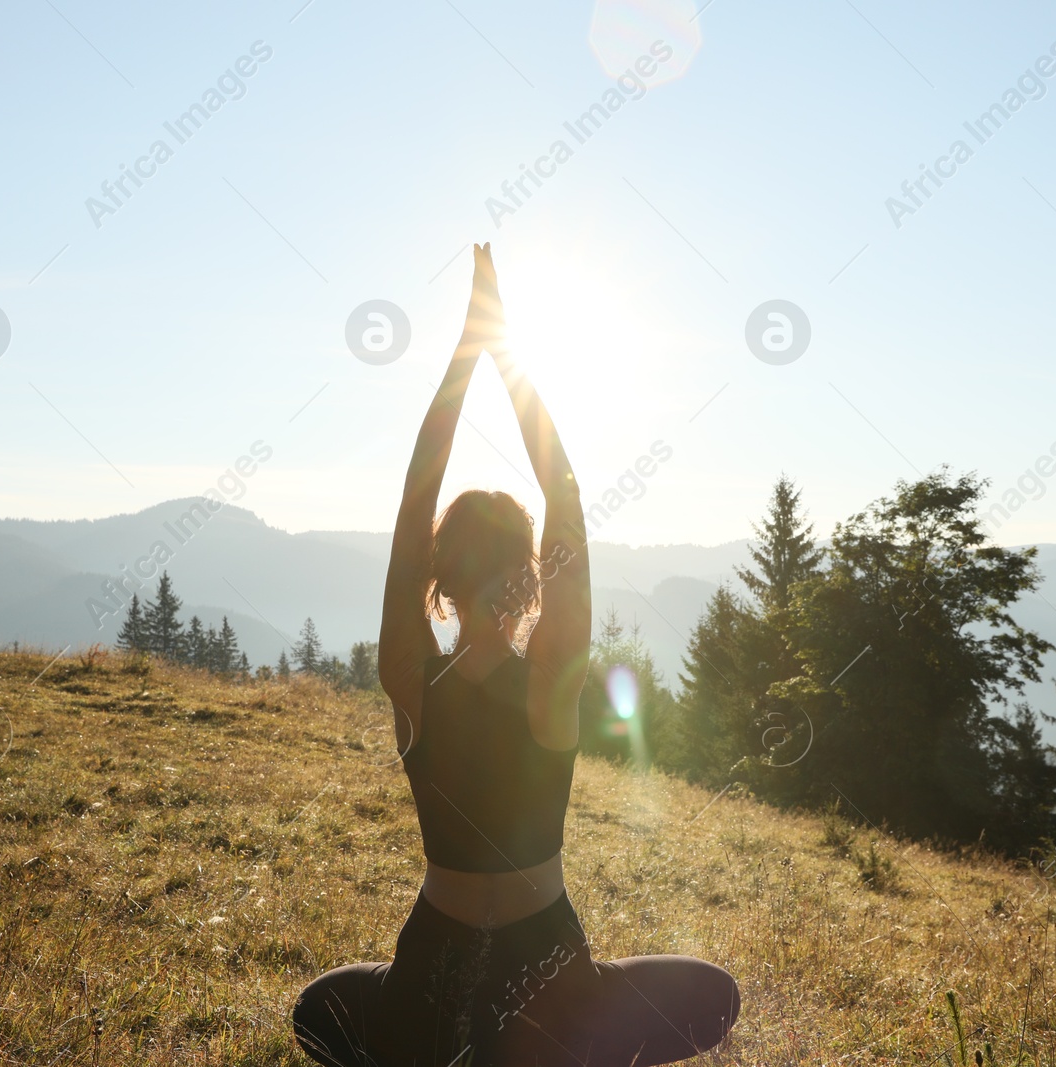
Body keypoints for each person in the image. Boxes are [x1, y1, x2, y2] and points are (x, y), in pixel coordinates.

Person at [292, 244, 740, 1065]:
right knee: (714, 995)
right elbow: (563, 491)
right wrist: (508, 355)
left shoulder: (412, 681)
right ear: (529, 575)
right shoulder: (550, 682)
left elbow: (410, 505)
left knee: (318, 1008)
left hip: (435, 964)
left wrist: (465, 354)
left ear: (439, 573)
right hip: (549, 969)